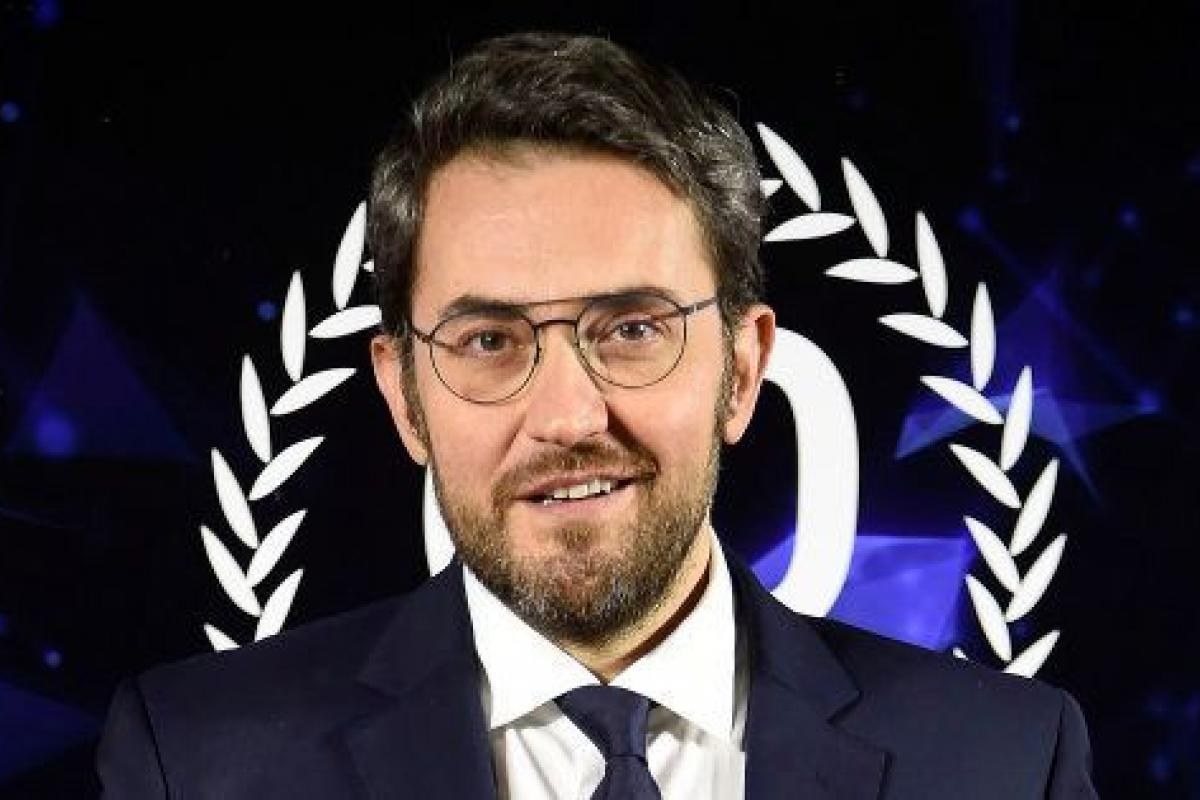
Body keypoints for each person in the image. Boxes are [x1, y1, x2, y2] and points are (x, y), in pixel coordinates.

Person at [96, 32, 1098, 798]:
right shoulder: (194, 761)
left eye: (632, 328)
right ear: (404, 396)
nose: (569, 414)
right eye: (489, 340)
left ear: (745, 368)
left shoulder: (1007, 763)